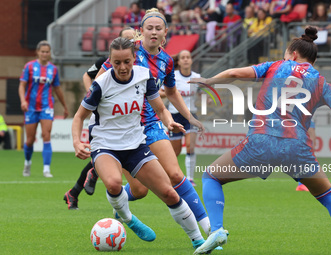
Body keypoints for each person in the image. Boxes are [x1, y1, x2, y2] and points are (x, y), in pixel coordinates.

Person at [193, 27, 331, 254]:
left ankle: (217, 230)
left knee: (211, 175)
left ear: (291, 54)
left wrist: (209, 81)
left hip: (262, 142)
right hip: (297, 148)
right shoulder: (321, 83)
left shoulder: (275, 66)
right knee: (329, 196)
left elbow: (236, 73)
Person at [95, 8, 212, 246]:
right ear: (141, 32)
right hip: (124, 129)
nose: (154, 32)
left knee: (176, 175)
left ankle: (210, 229)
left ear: (165, 33)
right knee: (139, 190)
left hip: (150, 124)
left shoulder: (167, 61)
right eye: (150, 28)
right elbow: (100, 81)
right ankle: (121, 207)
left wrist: (189, 118)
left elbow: (171, 92)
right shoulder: (129, 53)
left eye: (159, 28)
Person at [64, 27, 136, 210]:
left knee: (105, 158)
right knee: (108, 156)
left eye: (133, 39)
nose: (131, 42)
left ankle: (74, 192)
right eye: (126, 39)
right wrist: (92, 95)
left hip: (128, 119)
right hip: (104, 118)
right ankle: (95, 177)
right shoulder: (105, 64)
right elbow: (88, 77)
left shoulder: (140, 67)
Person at [19, 40, 68, 178]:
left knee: (46, 136)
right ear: (37, 52)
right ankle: (27, 162)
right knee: (29, 140)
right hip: (31, 107)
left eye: (47, 52)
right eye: (42, 51)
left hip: (47, 106)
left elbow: (57, 88)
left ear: (50, 53)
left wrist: (64, 106)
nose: (45, 54)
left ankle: (46, 169)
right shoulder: (29, 67)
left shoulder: (53, 69)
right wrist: (23, 101)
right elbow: (22, 85)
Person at [161, 50, 200, 186]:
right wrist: (166, 94)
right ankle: (167, 175)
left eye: (188, 57)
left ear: (191, 60)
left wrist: (207, 100)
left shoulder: (197, 77)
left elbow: (202, 92)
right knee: (175, 151)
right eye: (182, 57)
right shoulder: (173, 76)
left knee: (190, 146)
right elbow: (161, 91)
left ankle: (190, 178)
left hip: (191, 115)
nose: (185, 60)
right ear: (178, 61)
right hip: (175, 115)